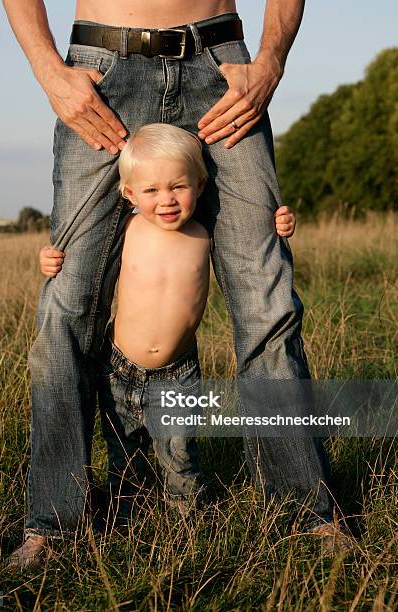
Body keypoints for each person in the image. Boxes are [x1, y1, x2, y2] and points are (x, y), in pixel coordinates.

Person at [2, 0, 352, 569]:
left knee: (269, 306)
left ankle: (307, 514)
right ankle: (54, 524)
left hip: (222, 69)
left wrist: (270, 60)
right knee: (65, 312)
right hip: (102, 71)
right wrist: (49, 70)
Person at [38, 123, 298, 524]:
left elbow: (253, 238)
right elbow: (77, 257)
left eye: (178, 186)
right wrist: (51, 259)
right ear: (129, 194)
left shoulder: (206, 233)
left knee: (180, 460)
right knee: (124, 459)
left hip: (178, 375)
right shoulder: (127, 229)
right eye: (151, 191)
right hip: (119, 368)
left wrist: (277, 223)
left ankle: (187, 525)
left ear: (200, 183)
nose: (167, 200)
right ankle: (127, 524)